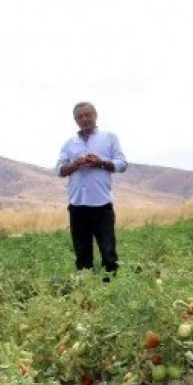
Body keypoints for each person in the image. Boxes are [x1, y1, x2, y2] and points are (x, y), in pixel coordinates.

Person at [55, 102, 128, 275]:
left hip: (102, 205)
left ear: (95, 115)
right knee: (82, 255)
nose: (85, 119)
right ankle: (86, 294)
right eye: (80, 116)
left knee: (109, 253)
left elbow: (122, 164)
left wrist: (100, 162)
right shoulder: (69, 144)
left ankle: (110, 291)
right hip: (77, 206)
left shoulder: (109, 138)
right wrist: (75, 163)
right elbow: (59, 170)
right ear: (75, 120)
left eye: (88, 114)